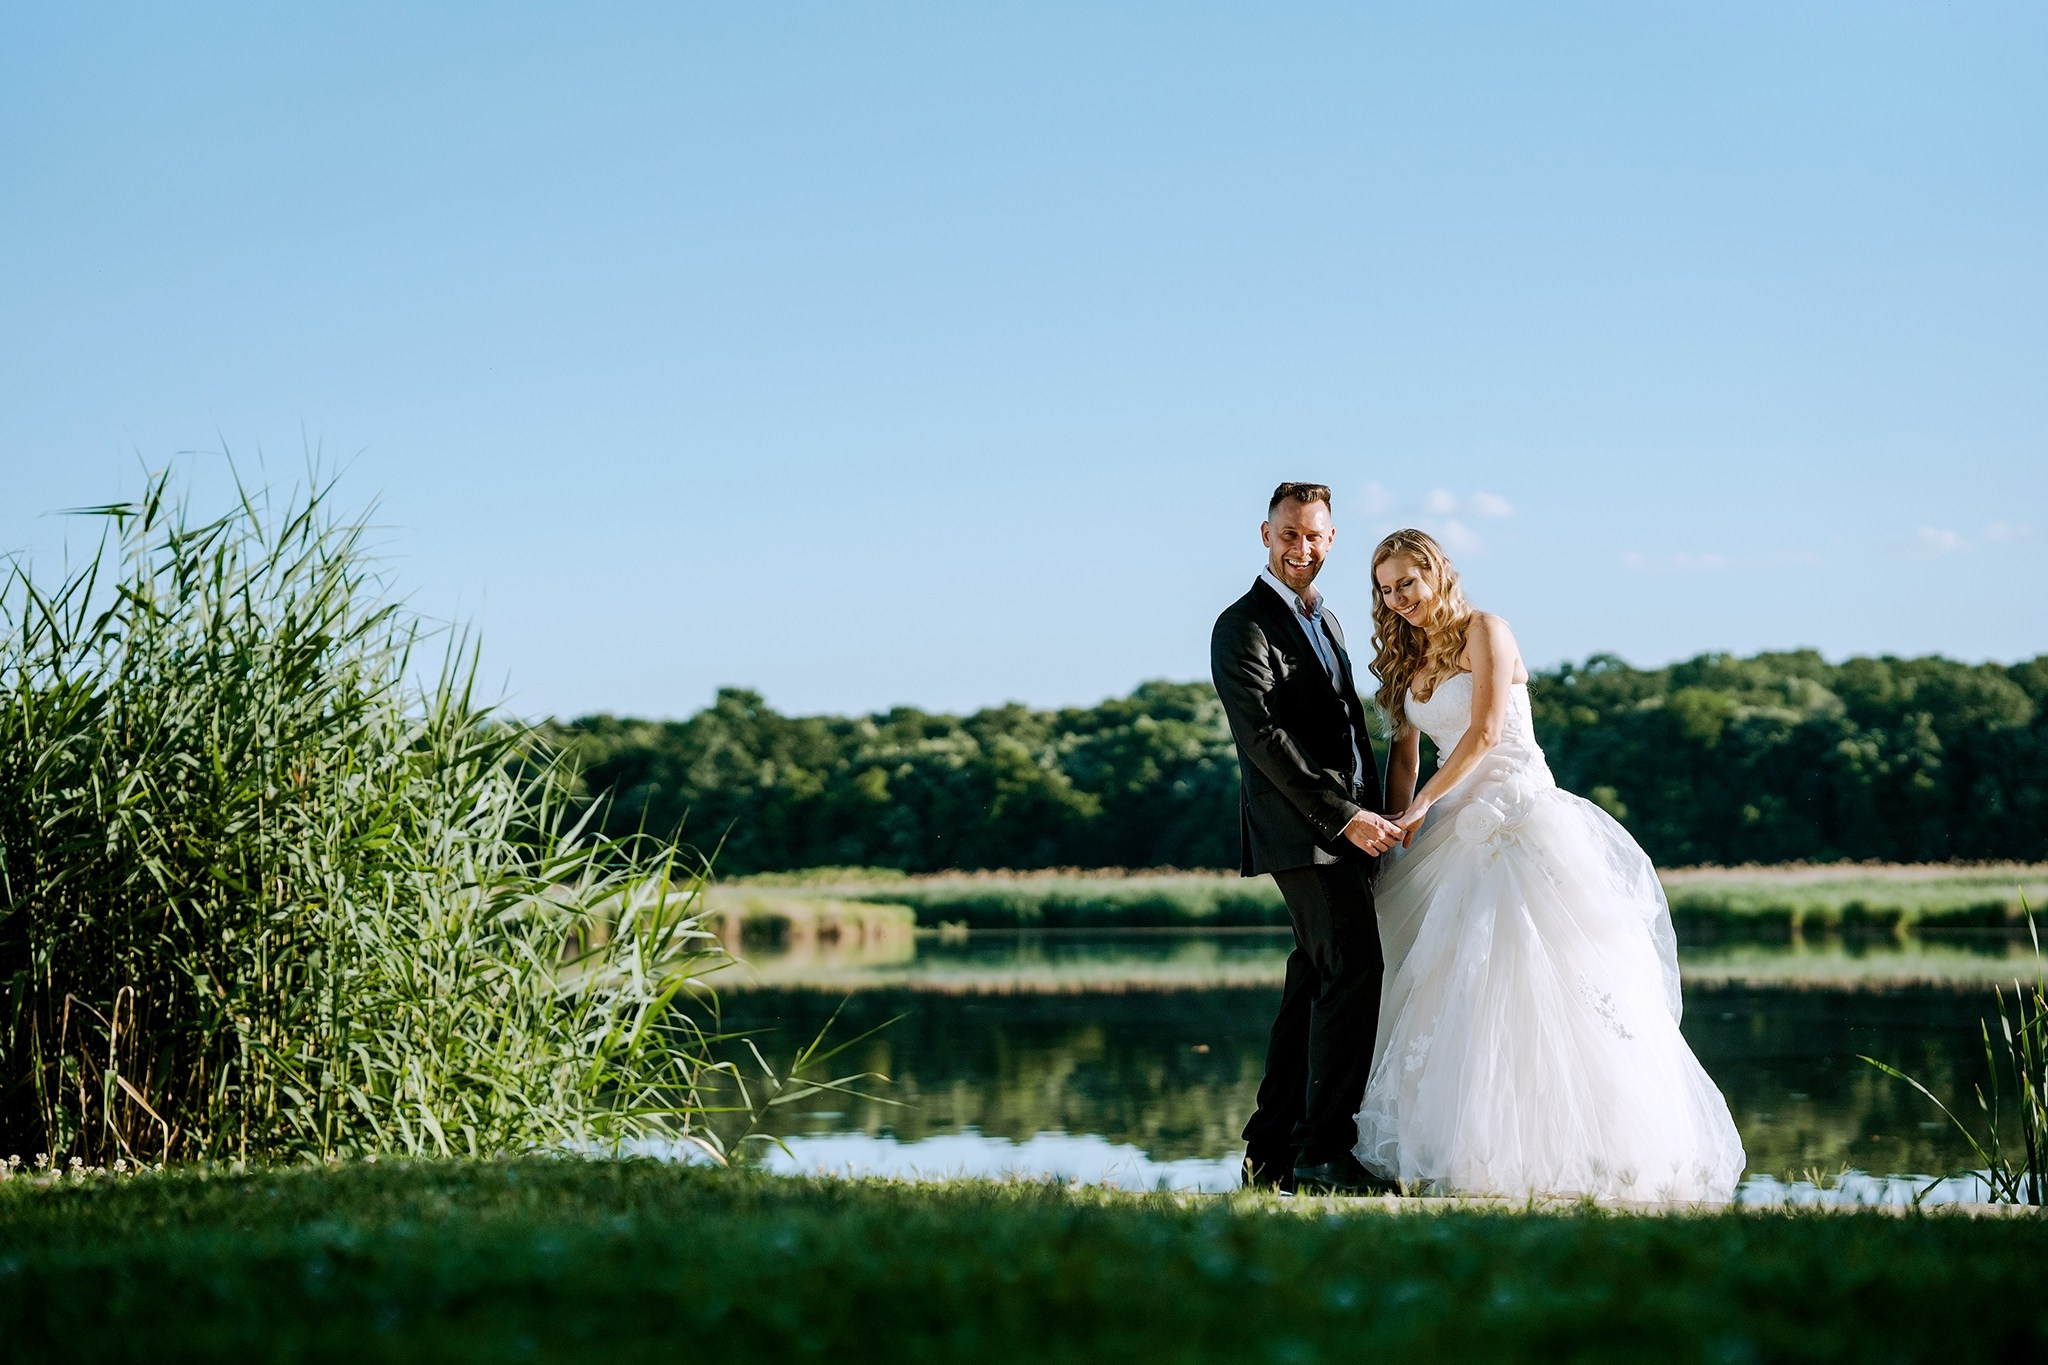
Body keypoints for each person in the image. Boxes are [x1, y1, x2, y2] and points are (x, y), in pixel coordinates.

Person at [1353, 529, 1745, 1200]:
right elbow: (1406, 756)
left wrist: (1420, 808)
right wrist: (1398, 828)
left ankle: (1605, 1155)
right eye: (1386, 590)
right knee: (1452, 988)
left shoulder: (1485, 629)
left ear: (1436, 573)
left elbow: (1483, 731)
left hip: (1519, 811)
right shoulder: (1404, 656)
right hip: (1448, 820)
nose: (1399, 600)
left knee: (1552, 982)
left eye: (1407, 584)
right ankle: (1466, 1153)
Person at [1211, 483, 1404, 1194]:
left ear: (1332, 538)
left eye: (1315, 536)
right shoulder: (1243, 626)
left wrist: (1377, 814)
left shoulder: (1328, 622)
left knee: (1314, 980)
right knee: (1354, 969)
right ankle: (1325, 1152)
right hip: (1305, 832)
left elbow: (1350, 732)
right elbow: (1262, 738)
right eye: (1289, 534)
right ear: (1265, 534)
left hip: (1350, 830)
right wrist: (1342, 815)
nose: (1302, 548)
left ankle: (1270, 1153)